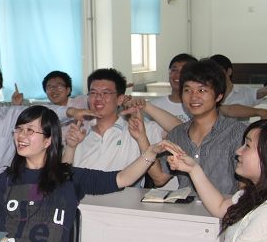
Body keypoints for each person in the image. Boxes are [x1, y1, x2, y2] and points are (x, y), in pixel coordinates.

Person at [0, 105, 167, 242]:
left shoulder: (69, 177)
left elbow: (122, 179)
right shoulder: (7, 179)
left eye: (30, 131)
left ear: (48, 140)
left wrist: (149, 153)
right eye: (19, 129)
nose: (21, 136)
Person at [135, 119, 267, 242]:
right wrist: (193, 169)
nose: (238, 151)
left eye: (247, 146)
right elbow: (220, 206)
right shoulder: (253, 195)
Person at [62, 68, 176, 187]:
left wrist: (145, 106)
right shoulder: (80, 134)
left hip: (125, 198)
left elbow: (182, 131)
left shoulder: (137, 129)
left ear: (120, 99)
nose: (98, 98)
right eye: (93, 93)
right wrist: (70, 147)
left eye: (105, 93)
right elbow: (63, 180)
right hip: (83, 198)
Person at [147, 59, 246, 195]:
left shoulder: (236, 133)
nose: (193, 97)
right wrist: (140, 136)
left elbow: (245, 186)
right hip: (185, 207)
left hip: (225, 207)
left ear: (219, 96)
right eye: (187, 90)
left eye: (201, 90)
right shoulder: (177, 134)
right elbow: (159, 179)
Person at [149, 53, 197, 122]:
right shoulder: (153, 106)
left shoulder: (198, 106)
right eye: (174, 70)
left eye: (184, 71)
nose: (178, 75)